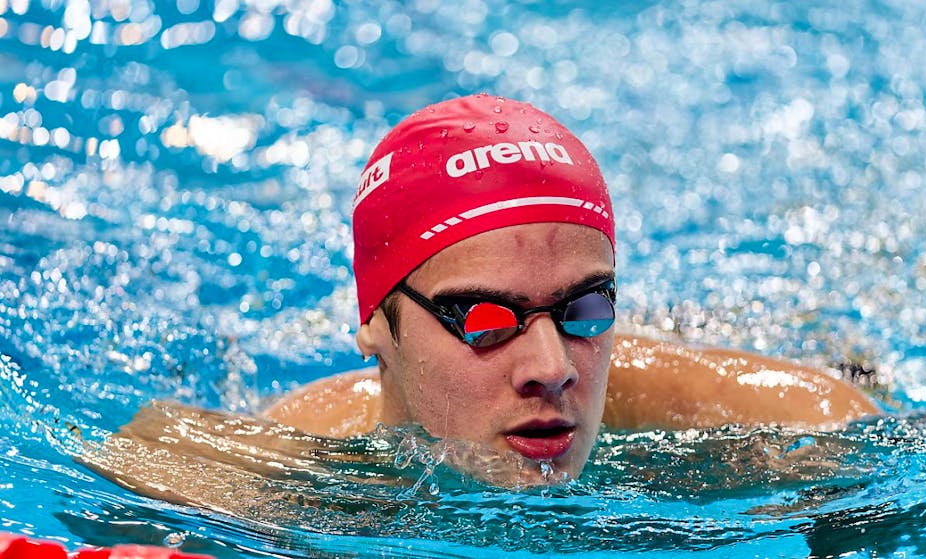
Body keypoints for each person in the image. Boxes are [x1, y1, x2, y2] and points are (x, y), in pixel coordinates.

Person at [262, 93, 879, 481]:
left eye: (586, 305)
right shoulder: (283, 467)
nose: (552, 369)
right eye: (483, 318)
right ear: (375, 323)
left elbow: (844, 424)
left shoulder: (765, 434)